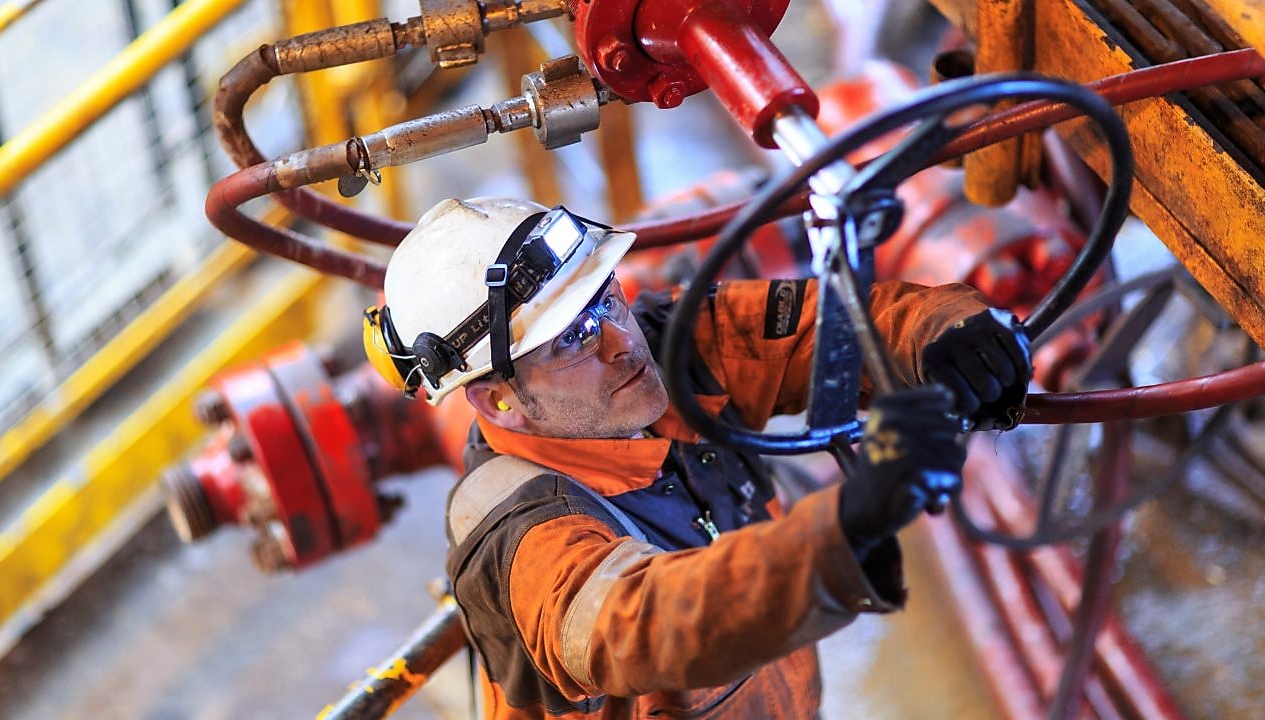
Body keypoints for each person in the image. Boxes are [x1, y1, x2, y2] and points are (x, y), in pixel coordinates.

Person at [363, 197, 1031, 718]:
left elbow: (827, 327)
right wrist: (849, 521)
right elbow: (647, 620)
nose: (622, 342)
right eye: (573, 339)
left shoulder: (666, 348)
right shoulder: (522, 537)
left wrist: (943, 333)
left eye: (607, 298)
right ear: (499, 401)